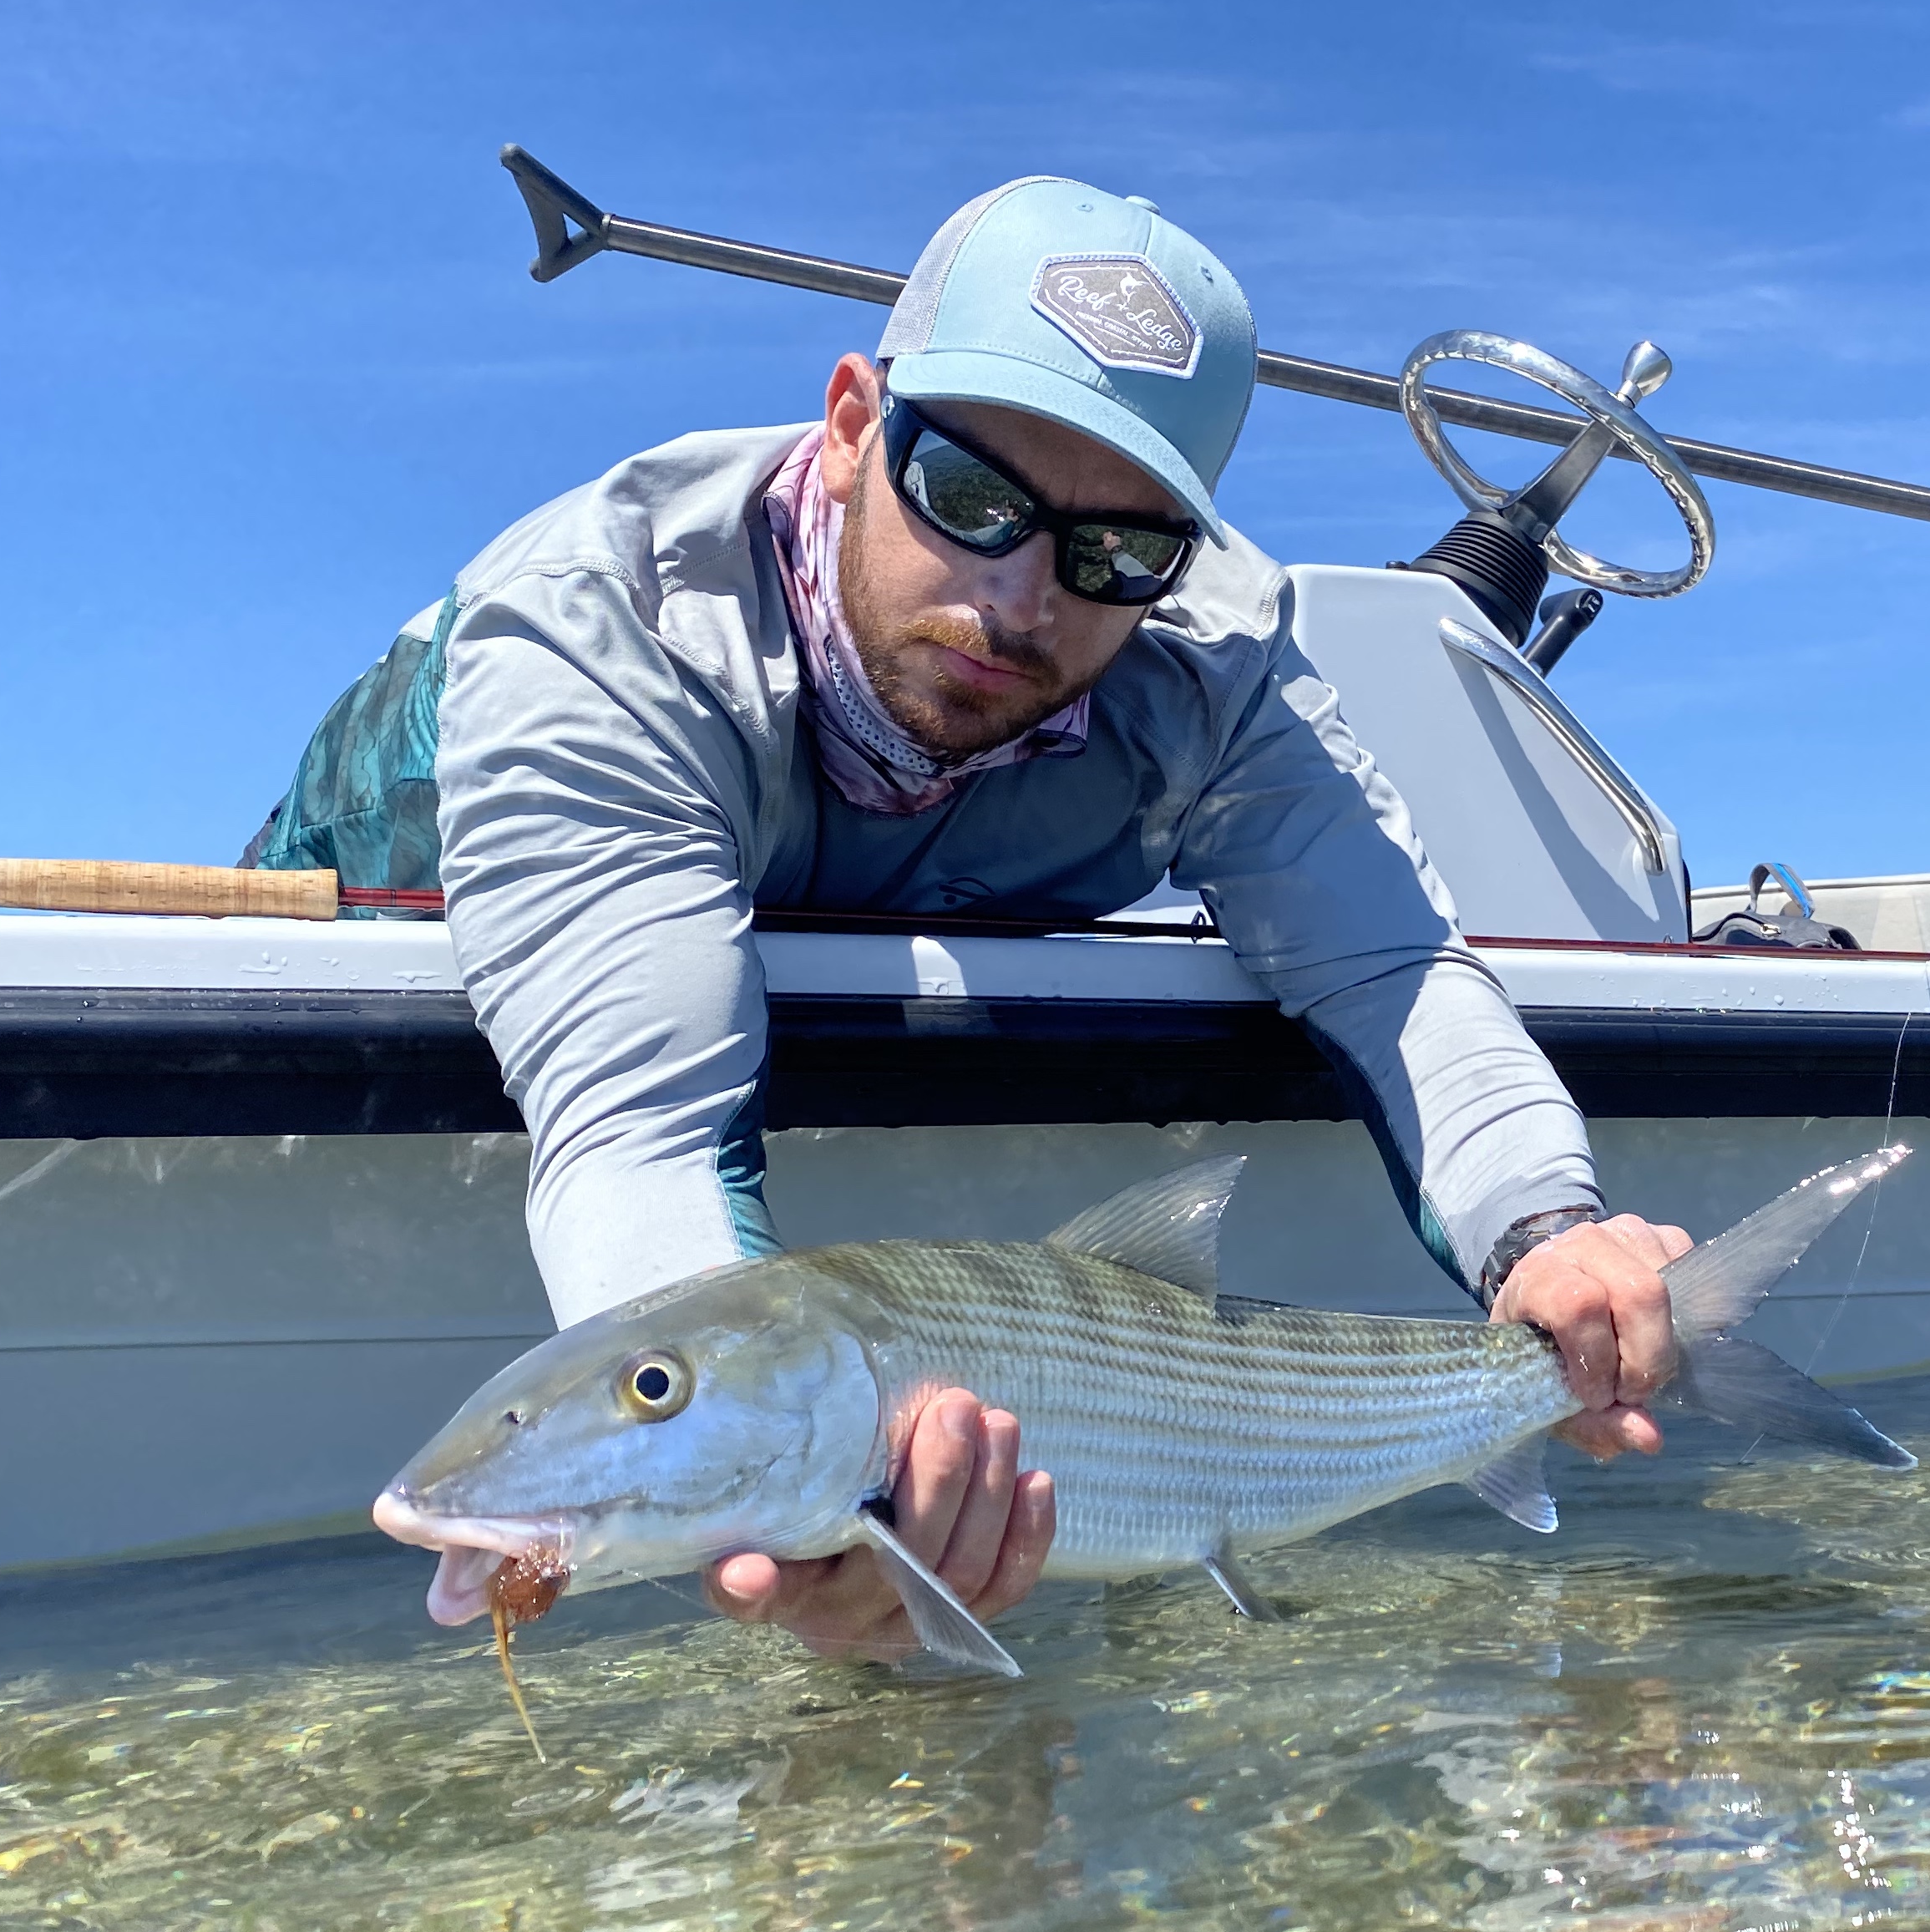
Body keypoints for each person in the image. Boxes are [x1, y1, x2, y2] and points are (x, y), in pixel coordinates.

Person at [245, 175, 1691, 1663]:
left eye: (1116, 554)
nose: (1017, 597)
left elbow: (1388, 967)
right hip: (456, 873)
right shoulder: (599, 628)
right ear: (856, 423)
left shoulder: (1221, 673)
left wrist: (1548, 1232)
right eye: (972, 498)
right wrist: (746, 1479)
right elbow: (637, 1121)